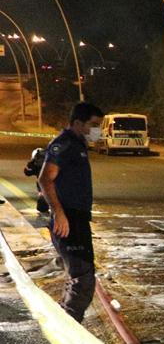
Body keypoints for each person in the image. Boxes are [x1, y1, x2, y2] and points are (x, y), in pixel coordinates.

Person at [38, 101, 105, 322]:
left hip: (77, 219)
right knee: (83, 281)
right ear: (78, 123)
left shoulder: (77, 144)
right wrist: (59, 213)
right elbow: (45, 179)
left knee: (79, 277)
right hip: (68, 220)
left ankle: (63, 326)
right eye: (94, 125)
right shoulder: (64, 144)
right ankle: (67, 340)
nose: (98, 130)